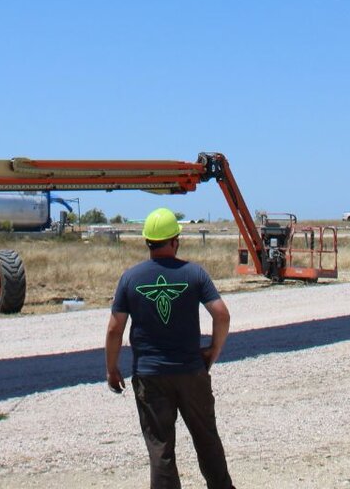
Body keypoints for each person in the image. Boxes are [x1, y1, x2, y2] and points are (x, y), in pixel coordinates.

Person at [105, 207, 235, 489]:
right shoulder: (194, 274)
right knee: (206, 439)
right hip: (191, 371)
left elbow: (115, 329)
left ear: (147, 242)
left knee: (160, 447)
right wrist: (213, 350)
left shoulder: (130, 278)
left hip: (150, 376)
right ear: (175, 240)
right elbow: (222, 315)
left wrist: (112, 369)